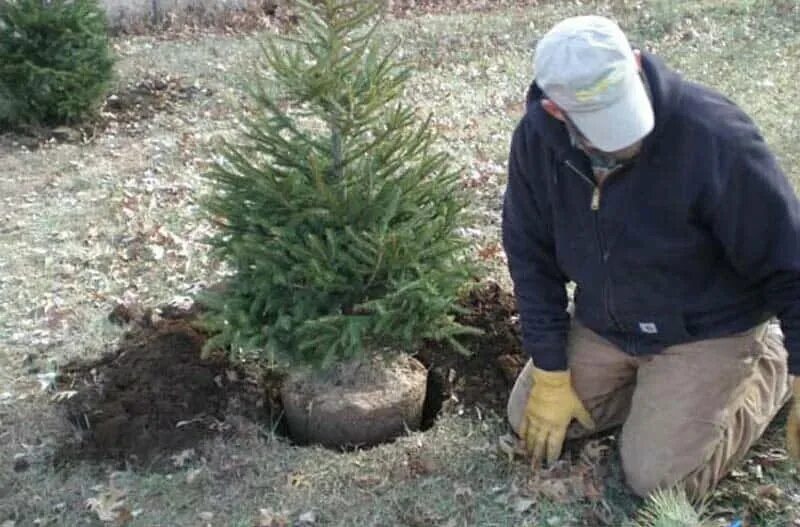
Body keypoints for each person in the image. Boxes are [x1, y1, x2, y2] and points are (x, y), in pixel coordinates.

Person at [502, 15, 800, 499]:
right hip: (608, 321)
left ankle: (770, 363)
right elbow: (530, 256)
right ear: (556, 110)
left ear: (637, 64)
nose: (628, 139)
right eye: (605, 125)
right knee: (528, 419)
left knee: (660, 479)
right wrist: (552, 374)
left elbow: (789, 257)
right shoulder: (537, 144)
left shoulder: (713, 135)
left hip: (708, 328)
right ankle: (656, 397)